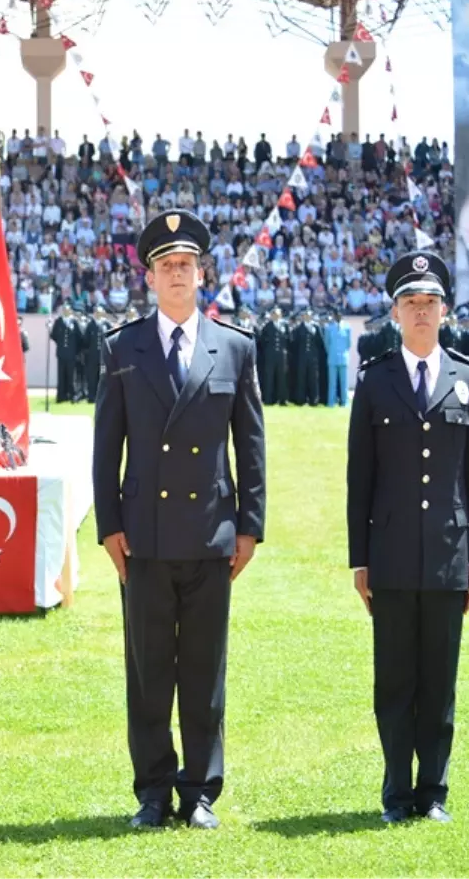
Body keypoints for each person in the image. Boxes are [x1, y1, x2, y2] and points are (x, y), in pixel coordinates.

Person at [92, 209, 266, 831]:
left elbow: (249, 443)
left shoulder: (235, 346)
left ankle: (200, 793)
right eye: (166, 265)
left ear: (201, 273)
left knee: (202, 670)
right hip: (143, 535)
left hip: (211, 533)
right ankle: (152, 792)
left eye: (186, 265)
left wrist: (250, 525)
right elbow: (105, 443)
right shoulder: (123, 346)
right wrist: (108, 524)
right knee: (148, 671)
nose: (176, 273)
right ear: (150, 276)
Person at [346, 251, 469, 824]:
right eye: (411, 303)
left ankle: (434, 793)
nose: (421, 312)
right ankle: (396, 793)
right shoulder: (374, 383)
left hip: (452, 558)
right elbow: (360, 481)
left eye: (430, 303)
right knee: (395, 680)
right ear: (395, 313)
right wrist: (360, 561)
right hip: (393, 557)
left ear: (445, 310)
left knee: (440, 683)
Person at [325, 309, 352, 406]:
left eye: (341, 314)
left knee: (344, 383)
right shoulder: (329, 328)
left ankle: (344, 402)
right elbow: (326, 344)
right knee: (332, 383)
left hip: (343, 358)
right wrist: (332, 353)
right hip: (332, 358)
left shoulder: (347, 327)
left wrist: (343, 353)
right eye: (337, 314)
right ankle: (331, 402)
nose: (339, 316)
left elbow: (349, 343)